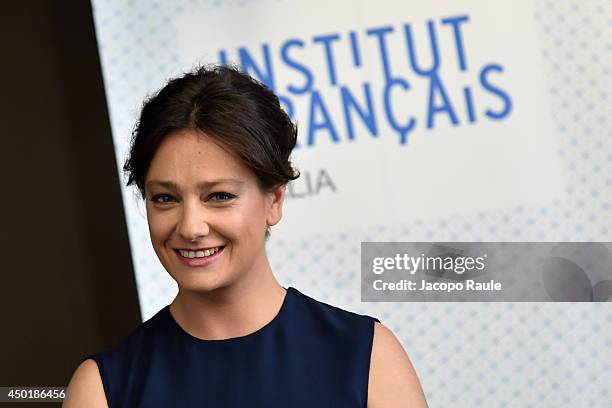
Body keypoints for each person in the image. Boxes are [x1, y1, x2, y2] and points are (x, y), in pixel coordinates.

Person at [63, 64, 428, 407]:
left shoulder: (365, 356)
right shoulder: (104, 389)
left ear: (275, 199)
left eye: (219, 196)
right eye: (165, 198)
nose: (190, 227)